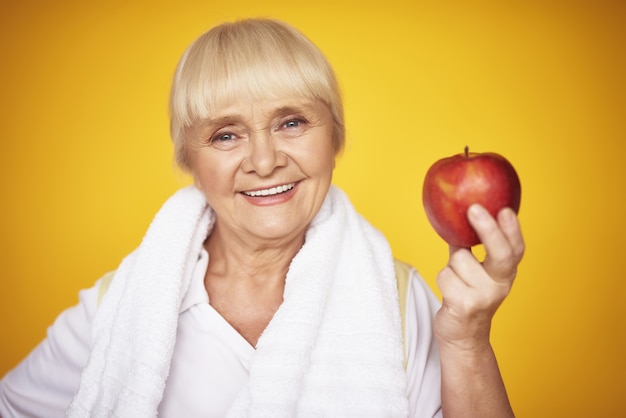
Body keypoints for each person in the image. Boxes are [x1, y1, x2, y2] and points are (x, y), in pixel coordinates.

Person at [0, 18, 524, 417]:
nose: (264, 160)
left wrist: (467, 338)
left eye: (291, 122)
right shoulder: (119, 310)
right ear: (190, 160)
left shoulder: (401, 300)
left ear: (334, 138)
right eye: (225, 134)